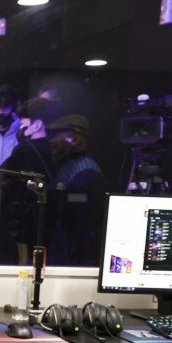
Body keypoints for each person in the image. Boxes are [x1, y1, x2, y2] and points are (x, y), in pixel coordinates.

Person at [0, 98, 63, 264]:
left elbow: (4, 187)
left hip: (25, 228)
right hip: (50, 228)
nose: (20, 127)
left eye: (23, 123)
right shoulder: (57, 153)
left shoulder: (25, 150)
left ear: (37, 125)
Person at [45, 114, 106, 266]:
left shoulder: (86, 173)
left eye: (56, 135)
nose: (50, 141)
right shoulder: (66, 166)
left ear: (75, 139)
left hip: (76, 260)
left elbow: (81, 227)